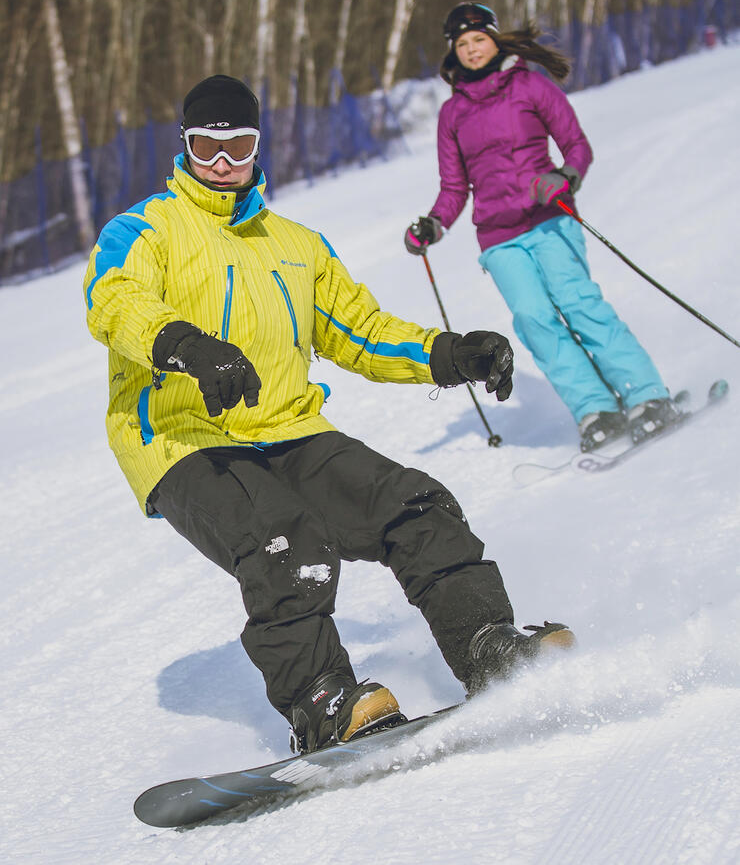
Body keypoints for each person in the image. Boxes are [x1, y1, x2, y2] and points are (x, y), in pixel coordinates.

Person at [84, 74, 573, 755]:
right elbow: (113, 299)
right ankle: (322, 700)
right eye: (207, 145)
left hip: (287, 427)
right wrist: (184, 345)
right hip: (181, 437)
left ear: (259, 146)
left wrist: (449, 353)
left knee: (416, 504)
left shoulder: (296, 243)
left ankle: (486, 645)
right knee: (283, 538)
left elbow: (359, 329)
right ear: (185, 146)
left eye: (239, 144)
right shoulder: (145, 228)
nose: (223, 161)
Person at [404, 3, 681, 453]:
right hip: (498, 237)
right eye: (462, 44)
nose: (473, 49)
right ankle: (595, 409)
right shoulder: (452, 114)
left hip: (550, 217)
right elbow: (454, 186)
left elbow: (576, 145)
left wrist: (565, 177)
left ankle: (646, 395)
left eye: (479, 39)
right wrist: (434, 224)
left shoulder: (530, 84)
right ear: (453, 53)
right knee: (535, 321)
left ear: (494, 39)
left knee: (579, 303)